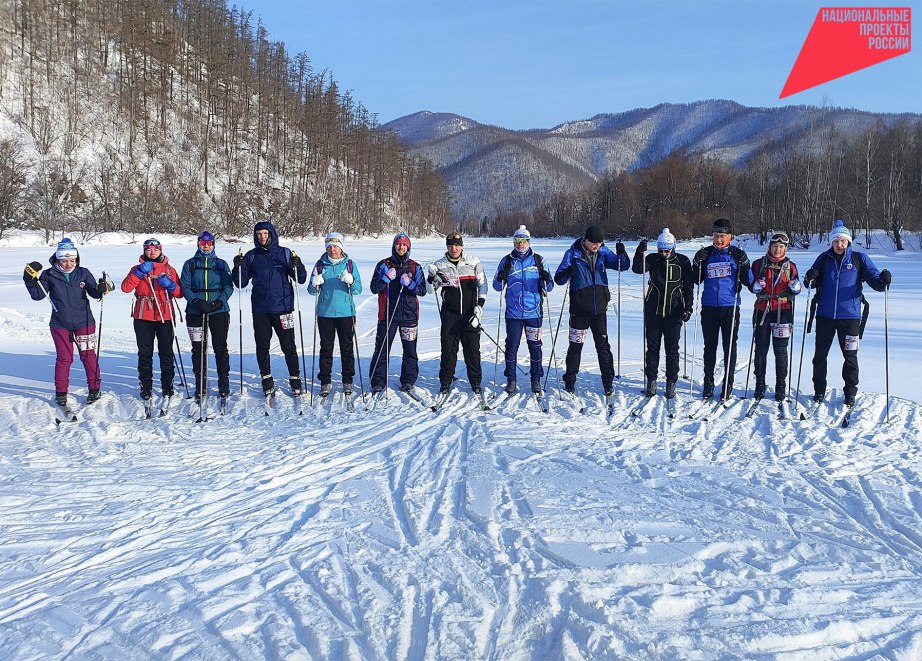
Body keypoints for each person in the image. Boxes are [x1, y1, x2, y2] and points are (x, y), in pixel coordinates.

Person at [804, 219, 891, 407]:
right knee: (820, 355)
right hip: (825, 316)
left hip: (850, 317)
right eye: (836, 241)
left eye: (843, 241)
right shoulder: (824, 259)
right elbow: (811, 280)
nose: (839, 244)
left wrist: (883, 281)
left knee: (850, 357)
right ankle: (819, 390)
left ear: (849, 242)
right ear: (831, 242)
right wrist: (810, 277)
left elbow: (874, 280)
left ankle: (850, 392)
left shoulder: (859, 259)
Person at [23, 238, 108, 406]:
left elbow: (95, 293)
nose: (68, 264)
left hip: (84, 322)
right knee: (64, 358)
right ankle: (61, 392)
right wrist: (29, 279)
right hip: (60, 323)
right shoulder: (49, 274)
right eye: (64, 260)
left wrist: (101, 289)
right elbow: (38, 295)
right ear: (57, 259)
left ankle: (94, 388)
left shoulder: (83, 272)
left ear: (76, 259)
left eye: (72, 260)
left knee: (88, 355)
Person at [232, 221, 307, 397]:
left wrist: (299, 265)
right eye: (259, 234)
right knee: (262, 345)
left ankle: (295, 378)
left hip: (283, 308)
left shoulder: (285, 253)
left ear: (272, 234)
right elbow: (240, 283)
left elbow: (301, 279)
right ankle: (266, 378)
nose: (262, 237)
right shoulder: (251, 256)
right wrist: (237, 267)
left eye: (265, 233)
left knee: (289, 346)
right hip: (261, 310)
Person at [553, 225, 630, 396]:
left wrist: (622, 253)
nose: (597, 246)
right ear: (585, 240)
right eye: (594, 243)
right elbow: (558, 279)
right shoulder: (572, 254)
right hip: (579, 310)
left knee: (603, 347)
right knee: (575, 347)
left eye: (600, 243)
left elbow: (622, 266)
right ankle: (570, 380)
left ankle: (608, 381)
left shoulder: (603, 252)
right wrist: (568, 271)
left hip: (599, 310)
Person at [691, 218, 751, 401]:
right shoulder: (706, 254)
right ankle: (708, 382)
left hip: (729, 307)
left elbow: (749, 281)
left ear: (729, 237)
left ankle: (728, 383)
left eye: (722, 236)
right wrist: (696, 262)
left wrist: (746, 264)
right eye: (716, 236)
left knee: (729, 347)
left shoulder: (735, 254)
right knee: (709, 347)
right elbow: (696, 279)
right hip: (709, 307)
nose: (718, 240)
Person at [632, 228, 694, 399]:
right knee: (652, 349)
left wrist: (688, 308)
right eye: (661, 250)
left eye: (667, 250)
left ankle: (671, 382)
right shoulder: (653, 259)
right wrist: (639, 252)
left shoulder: (682, 261)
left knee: (672, 349)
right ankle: (651, 381)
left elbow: (688, 287)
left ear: (673, 247)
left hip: (674, 313)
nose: (664, 253)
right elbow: (638, 269)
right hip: (653, 311)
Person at [492, 225, 554, 394]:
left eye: (523, 241)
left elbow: (550, 287)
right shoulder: (506, 261)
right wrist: (500, 277)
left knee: (535, 346)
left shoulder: (539, 261)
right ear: (514, 242)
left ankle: (536, 379)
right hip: (513, 313)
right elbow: (497, 287)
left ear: (529, 242)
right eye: (517, 241)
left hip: (534, 312)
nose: (520, 244)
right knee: (511, 346)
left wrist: (546, 279)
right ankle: (511, 379)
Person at [121, 237, 183, 402]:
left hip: (165, 314)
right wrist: (139, 273)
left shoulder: (169, 269)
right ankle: (146, 385)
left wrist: (170, 285)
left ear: (161, 250)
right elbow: (126, 288)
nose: (152, 252)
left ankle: (167, 385)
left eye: (155, 249)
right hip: (143, 315)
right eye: (148, 249)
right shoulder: (137, 268)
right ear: (144, 251)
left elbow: (179, 293)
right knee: (145, 353)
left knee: (166, 352)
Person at [427, 232, 489, 395]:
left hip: (470, 314)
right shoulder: (439, 265)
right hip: (450, 315)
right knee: (448, 351)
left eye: (457, 245)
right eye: (450, 245)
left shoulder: (473, 262)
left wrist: (480, 306)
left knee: (472, 350)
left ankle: (475, 382)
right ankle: (445, 382)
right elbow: (430, 290)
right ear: (447, 246)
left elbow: (483, 285)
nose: (454, 248)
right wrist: (431, 277)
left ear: (462, 246)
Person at [745, 232, 802, 401]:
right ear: (770, 247)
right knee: (761, 349)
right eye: (775, 246)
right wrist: (755, 286)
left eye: (781, 247)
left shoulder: (790, 266)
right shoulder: (758, 264)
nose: (777, 250)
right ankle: (760, 385)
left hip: (783, 311)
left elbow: (797, 286)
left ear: (785, 248)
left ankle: (780, 386)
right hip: (763, 310)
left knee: (781, 351)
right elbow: (750, 284)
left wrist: (795, 287)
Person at [179, 231, 234, 401]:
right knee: (198, 348)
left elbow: (228, 286)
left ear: (213, 245)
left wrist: (218, 302)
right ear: (198, 244)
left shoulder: (221, 264)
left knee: (220, 347)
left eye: (209, 243)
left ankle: (223, 382)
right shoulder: (190, 264)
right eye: (203, 243)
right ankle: (200, 382)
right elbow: (185, 286)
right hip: (196, 311)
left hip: (218, 310)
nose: (206, 246)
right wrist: (196, 301)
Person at [369, 232, 426, 394]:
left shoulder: (415, 267)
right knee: (381, 349)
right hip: (387, 314)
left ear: (408, 247)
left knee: (410, 350)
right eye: (398, 244)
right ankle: (378, 381)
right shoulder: (383, 265)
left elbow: (422, 291)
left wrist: (411, 284)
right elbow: (374, 288)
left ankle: (408, 380)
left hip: (409, 315)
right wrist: (385, 279)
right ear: (394, 246)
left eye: (404, 244)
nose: (401, 247)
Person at [308, 232, 363, 397]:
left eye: (335, 246)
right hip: (325, 313)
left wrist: (351, 280)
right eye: (329, 246)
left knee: (347, 348)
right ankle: (325, 381)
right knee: (326, 349)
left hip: (346, 312)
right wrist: (314, 283)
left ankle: (348, 380)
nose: (332, 250)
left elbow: (358, 289)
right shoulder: (320, 265)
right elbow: (311, 291)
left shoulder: (350, 265)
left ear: (341, 247)